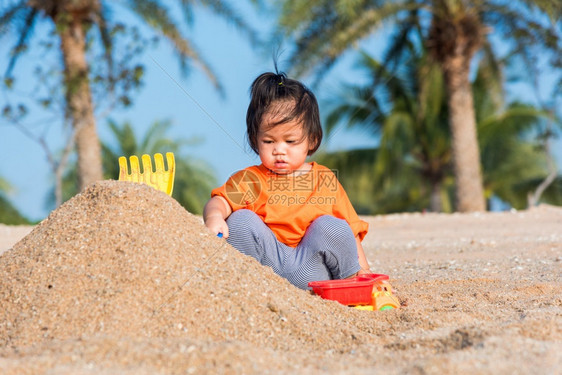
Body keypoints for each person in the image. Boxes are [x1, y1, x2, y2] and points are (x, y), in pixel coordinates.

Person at [203, 71, 370, 290]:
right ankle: (240, 288)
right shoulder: (251, 180)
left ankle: (353, 286)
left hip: (312, 271)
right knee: (240, 220)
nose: (279, 150)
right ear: (255, 140)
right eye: (269, 141)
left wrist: (365, 273)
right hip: (263, 268)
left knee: (333, 226)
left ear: (312, 139)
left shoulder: (324, 180)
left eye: (291, 141)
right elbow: (221, 201)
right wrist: (214, 216)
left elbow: (351, 233)